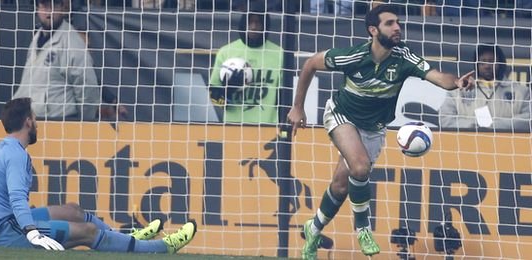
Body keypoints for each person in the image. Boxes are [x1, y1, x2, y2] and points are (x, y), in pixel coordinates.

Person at [287, 4, 474, 259]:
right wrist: (298, 108)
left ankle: (314, 227)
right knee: (361, 167)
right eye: (390, 23)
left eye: (397, 22)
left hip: (373, 128)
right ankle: (363, 228)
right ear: (373, 30)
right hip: (342, 115)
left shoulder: (404, 57)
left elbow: (436, 76)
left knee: (341, 186)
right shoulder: (353, 56)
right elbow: (310, 64)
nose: (397, 27)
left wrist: (456, 82)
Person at [0, 97, 196, 252]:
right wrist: (32, 232)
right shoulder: (17, 156)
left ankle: (128, 237)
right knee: (88, 232)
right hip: (10, 232)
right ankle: (162, 248)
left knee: (73, 211)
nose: (38, 123)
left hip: (2, 225)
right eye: (36, 118)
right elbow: (18, 199)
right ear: (28, 122)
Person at [13, 0, 100, 121]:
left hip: (59, 121)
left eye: (54, 5)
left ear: (62, 8)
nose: (49, 11)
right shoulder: (38, 37)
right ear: (37, 8)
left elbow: (87, 85)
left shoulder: (71, 41)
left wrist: (83, 122)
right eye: (44, 5)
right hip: (32, 120)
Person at [208, 1, 283, 124]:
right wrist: (228, 92)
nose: (253, 27)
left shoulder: (279, 54)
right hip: (233, 127)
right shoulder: (226, 52)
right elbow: (213, 95)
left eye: (258, 22)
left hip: (267, 127)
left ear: (265, 25)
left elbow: (284, 99)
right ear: (243, 23)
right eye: (250, 22)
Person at [439, 44, 531, 132]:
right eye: (483, 61)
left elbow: (529, 118)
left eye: (491, 61)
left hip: (507, 145)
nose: (487, 66)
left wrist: (496, 126)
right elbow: (445, 119)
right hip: (467, 144)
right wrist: (475, 126)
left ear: (500, 63)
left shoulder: (521, 91)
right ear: (477, 64)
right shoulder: (459, 90)